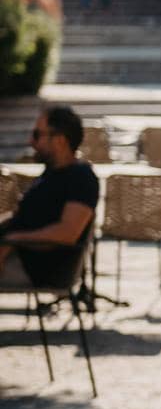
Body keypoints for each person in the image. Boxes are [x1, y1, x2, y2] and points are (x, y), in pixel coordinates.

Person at [0, 107, 99, 288]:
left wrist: (13, 240)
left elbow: (67, 233)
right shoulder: (51, 173)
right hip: (16, 256)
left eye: (37, 135)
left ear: (60, 140)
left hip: (38, 269)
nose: (31, 141)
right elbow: (22, 217)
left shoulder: (81, 178)